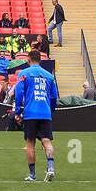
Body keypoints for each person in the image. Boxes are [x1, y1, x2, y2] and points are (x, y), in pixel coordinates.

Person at [13, 49, 58, 183]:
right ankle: (50, 168)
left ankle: (32, 175)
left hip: (30, 113)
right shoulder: (49, 75)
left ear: (28, 59)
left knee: (30, 144)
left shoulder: (24, 74)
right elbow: (54, 96)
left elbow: (19, 94)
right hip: (45, 112)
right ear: (40, 60)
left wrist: (17, 112)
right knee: (46, 141)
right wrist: (51, 110)